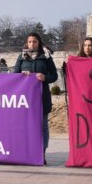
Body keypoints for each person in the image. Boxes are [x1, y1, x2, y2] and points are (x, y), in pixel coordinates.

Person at [12, 32, 58, 161]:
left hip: (42, 97)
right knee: (26, 126)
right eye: (30, 42)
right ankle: (27, 152)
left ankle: (41, 153)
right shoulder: (21, 57)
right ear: (27, 43)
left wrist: (45, 77)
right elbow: (14, 76)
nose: (32, 44)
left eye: (35, 42)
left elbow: (54, 75)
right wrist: (22, 75)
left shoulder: (46, 57)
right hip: (26, 99)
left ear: (39, 43)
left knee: (43, 127)